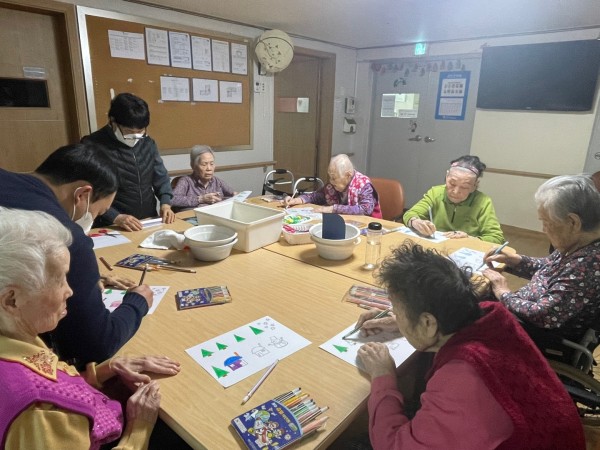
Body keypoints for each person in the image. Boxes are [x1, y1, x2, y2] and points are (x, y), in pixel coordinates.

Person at [354, 243, 584, 450]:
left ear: (428, 323)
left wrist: (382, 375)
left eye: (397, 310)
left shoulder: (461, 380)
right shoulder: (492, 317)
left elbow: (394, 445)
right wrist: (404, 324)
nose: (395, 315)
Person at [0, 208, 181, 449]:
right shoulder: (40, 412)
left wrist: (103, 371)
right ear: (12, 300)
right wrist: (138, 430)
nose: (69, 291)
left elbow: (52, 378)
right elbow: (45, 400)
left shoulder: (13, 336)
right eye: (60, 279)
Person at [0, 143, 151, 369]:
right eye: (98, 212)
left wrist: (85, 278)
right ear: (82, 194)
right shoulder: (67, 238)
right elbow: (96, 345)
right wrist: (137, 302)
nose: (93, 218)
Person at [483, 174, 600, 343]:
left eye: (546, 222)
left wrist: (503, 293)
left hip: (538, 335)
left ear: (573, 222)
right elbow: (550, 268)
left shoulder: (589, 265)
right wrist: (515, 260)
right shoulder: (578, 243)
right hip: (526, 313)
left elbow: (543, 315)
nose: (543, 229)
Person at [82, 92, 175, 231]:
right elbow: (87, 191)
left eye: (140, 131)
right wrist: (115, 217)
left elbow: (161, 177)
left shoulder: (148, 143)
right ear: (113, 121)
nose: (135, 136)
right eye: (128, 131)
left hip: (147, 220)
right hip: (111, 225)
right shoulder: (92, 145)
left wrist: (165, 203)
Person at [403, 155, 505, 244]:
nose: (456, 191)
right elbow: (410, 214)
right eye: (452, 183)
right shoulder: (436, 192)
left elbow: (496, 238)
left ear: (475, 185)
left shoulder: (483, 202)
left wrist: (469, 238)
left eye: (464, 187)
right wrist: (416, 222)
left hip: (465, 249)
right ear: (446, 176)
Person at [285, 154, 382, 217]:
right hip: (344, 223)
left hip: (370, 228)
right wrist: (298, 200)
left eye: (334, 178)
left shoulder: (364, 185)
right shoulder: (333, 185)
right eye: (330, 177)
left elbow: (366, 209)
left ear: (348, 175)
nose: (331, 181)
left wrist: (334, 208)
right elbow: (317, 196)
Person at [171, 145, 237, 212]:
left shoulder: (217, 181)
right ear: (193, 166)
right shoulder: (186, 181)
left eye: (211, 164)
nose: (209, 168)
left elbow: (234, 194)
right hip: (194, 216)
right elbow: (172, 200)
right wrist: (200, 199)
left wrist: (235, 196)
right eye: (204, 164)